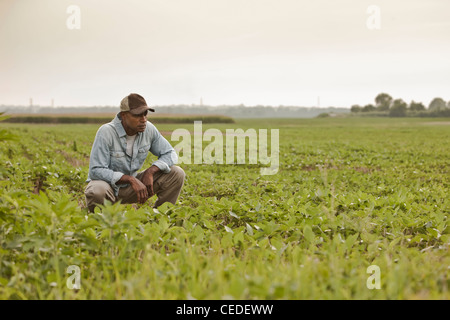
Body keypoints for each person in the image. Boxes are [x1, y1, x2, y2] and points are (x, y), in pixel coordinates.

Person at [84, 93, 185, 212]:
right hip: (109, 187)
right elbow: (96, 170)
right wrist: (130, 179)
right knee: (97, 190)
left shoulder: (149, 129)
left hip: (133, 188)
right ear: (124, 115)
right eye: (137, 115)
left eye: (145, 114)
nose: (143, 119)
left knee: (176, 173)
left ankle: (159, 216)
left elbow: (170, 153)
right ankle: (101, 222)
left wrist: (150, 171)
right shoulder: (106, 132)